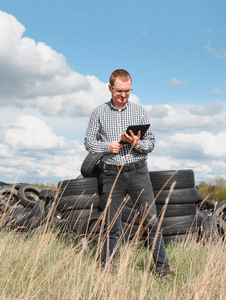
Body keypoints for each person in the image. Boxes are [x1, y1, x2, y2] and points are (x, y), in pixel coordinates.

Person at [84, 69, 171, 278]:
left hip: (138, 172)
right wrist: (107, 147)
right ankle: (108, 272)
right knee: (111, 226)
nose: (123, 95)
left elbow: (151, 144)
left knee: (151, 222)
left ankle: (163, 272)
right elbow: (88, 142)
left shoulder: (140, 111)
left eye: (128, 90)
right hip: (111, 174)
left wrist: (136, 143)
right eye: (119, 91)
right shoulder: (98, 112)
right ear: (110, 88)